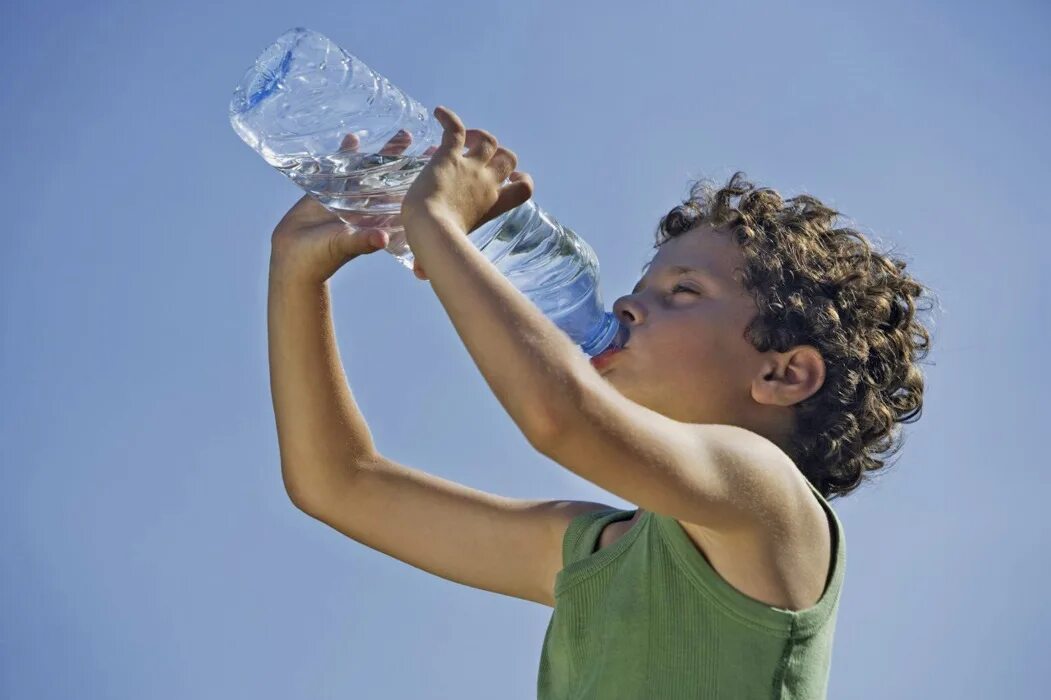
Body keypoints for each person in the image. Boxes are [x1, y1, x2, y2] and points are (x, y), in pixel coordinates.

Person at [267, 106, 935, 698]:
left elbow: (560, 416)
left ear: (784, 375)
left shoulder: (767, 504)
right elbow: (339, 484)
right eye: (639, 287)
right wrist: (297, 274)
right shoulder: (594, 550)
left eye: (682, 292)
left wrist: (437, 222)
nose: (624, 305)